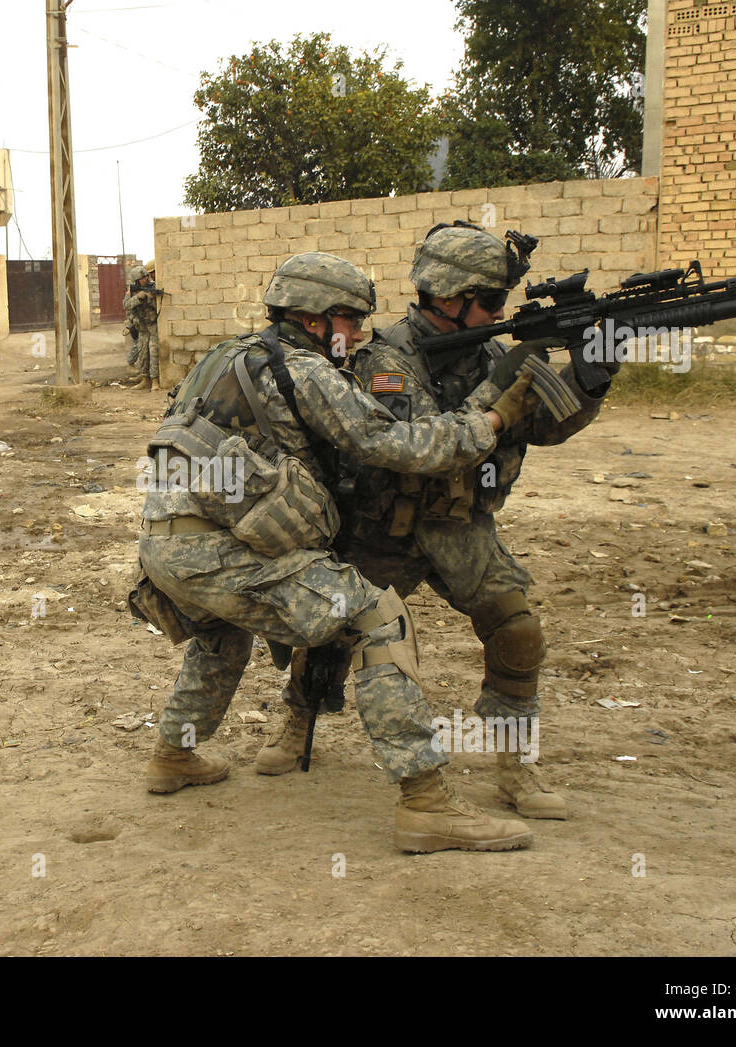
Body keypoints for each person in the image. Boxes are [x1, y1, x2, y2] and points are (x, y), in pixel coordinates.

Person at [132, 251, 548, 853]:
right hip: (219, 550)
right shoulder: (305, 371)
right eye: (350, 320)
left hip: (164, 549)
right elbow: (395, 444)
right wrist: (490, 419)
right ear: (314, 317)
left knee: (224, 627)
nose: (358, 336)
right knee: (377, 618)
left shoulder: (224, 356)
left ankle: (175, 753)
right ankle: (427, 804)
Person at [255, 222, 619, 823]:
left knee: (518, 630)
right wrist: (501, 392)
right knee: (332, 635)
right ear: (450, 297)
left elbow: (547, 426)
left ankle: (514, 764)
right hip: (383, 523)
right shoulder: (385, 361)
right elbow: (421, 442)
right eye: (493, 301)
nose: (500, 312)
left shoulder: (498, 353)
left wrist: (593, 373)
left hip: (459, 526)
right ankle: (298, 720)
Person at [123, 264, 161, 390]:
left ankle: (155, 380)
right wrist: (138, 298)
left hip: (152, 326)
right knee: (143, 354)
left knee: (153, 352)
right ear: (137, 281)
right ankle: (145, 379)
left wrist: (151, 299)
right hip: (142, 329)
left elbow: (158, 307)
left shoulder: (153, 287)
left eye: (146, 276)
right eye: (142, 278)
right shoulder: (133, 291)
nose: (145, 279)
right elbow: (126, 305)